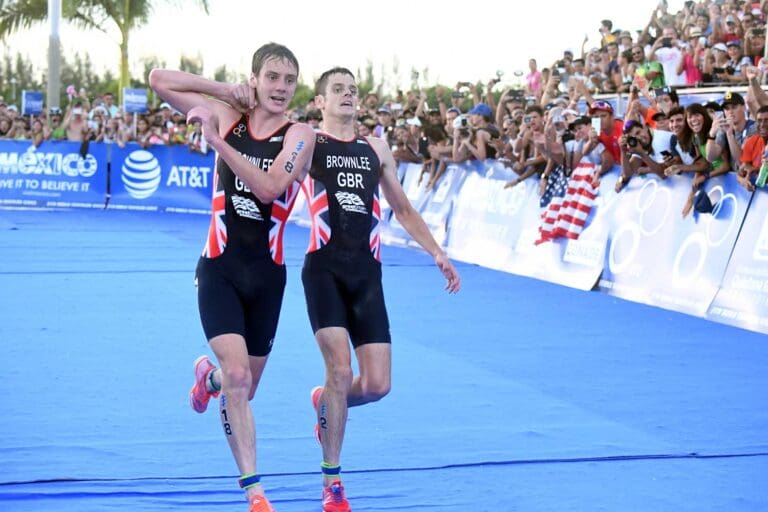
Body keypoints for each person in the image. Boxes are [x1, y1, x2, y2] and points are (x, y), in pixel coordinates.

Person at [148, 42, 316, 512]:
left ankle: (210, 380)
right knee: (240, 378)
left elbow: (269, 188)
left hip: (268, 278)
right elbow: (160, 79)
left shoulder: (299, 134)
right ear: (255, 79)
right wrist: (224, 90)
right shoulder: (227, 112)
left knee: (241, 385)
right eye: (273, 78)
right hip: (219, 267)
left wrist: (217, 143)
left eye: (289, 81)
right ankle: (255, 492)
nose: (281, 89)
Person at [303, 67, 460, 511]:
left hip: (368, 275)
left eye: (353, 90)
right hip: (324, 270)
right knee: (338, 371)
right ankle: (332, 483)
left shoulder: (376, 148)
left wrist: (437, 253)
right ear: (320, 101)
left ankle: (327, 404)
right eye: (338, 90)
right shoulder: (310, 142)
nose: (348, 96)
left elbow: (403, 208)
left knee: (376, 385)